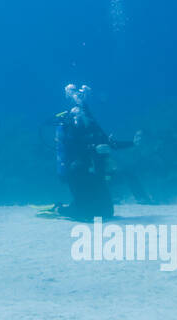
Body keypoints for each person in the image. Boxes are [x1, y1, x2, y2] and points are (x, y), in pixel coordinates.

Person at [52, 84, 141, 221]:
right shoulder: (70, 125)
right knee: (86, 214)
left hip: (94, 170)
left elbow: (111, 144)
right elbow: (71, 148)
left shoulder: (93, 126)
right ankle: (60, 209)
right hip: (77, 171)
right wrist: (93, 149)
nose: (83, 114)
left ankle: (73, 206)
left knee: (106, 213)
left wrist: (132, 143)